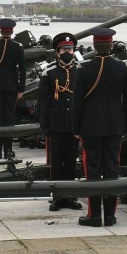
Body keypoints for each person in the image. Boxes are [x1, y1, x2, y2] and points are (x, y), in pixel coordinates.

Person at [72, 27, 127, 227]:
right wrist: (124, 126)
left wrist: (76, 128)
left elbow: (77, 103)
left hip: (90, 127)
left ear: (94, 45)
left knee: (92, 170)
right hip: (115, 127)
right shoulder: (122, 68)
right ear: (111, 45)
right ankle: (110, 216)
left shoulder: (84, 69)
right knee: (111, 169)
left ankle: (94, 216)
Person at [37, 31, 82, 211]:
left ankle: (70, 196)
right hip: (56, 123)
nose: (67, 52)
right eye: (64, 49)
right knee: (56, 162)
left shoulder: (80, 71)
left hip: (73, 124)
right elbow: (43, 102)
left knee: (71, 161)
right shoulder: (49, 73)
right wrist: (44, 124)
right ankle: (56, 196)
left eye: (70, 49)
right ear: (57, 51)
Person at [0, 18, 25, 159]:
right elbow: (22, 70)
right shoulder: (18, 47)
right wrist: (21, 89)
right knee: (9, 118)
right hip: (12, 87)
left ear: (0, 30)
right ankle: (8, 150)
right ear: (12, 31)